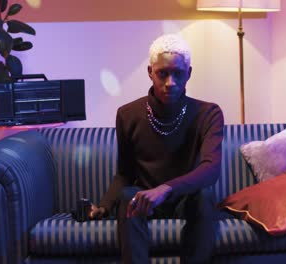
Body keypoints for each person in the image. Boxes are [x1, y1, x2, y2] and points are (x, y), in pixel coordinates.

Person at [89, 34, 224, 263]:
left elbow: (210, 169)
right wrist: (103, 206)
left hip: (185, 198)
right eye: (163, 73)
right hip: (145, 201)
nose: (170, 82)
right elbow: (125, 174)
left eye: (178, 73)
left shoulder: (208, 113)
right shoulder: (128, 114)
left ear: (189, 73)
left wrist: (166, 189)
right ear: (150, 72)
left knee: (205, 196)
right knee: (128, 196)